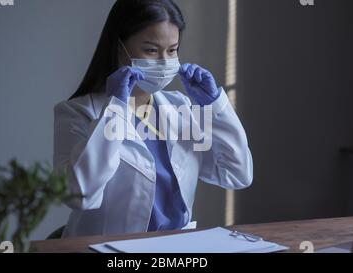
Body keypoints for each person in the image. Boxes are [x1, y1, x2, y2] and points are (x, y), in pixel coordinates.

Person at [53, 0, 253, 237]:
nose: (164, 61)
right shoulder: (77, 112)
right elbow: (80, 194)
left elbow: (237, 173)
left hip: (176, 249)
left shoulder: (181, 108)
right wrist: (116, 109)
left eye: (172, 50)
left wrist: (215, 106)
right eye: (151, 50)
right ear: (119, 48)